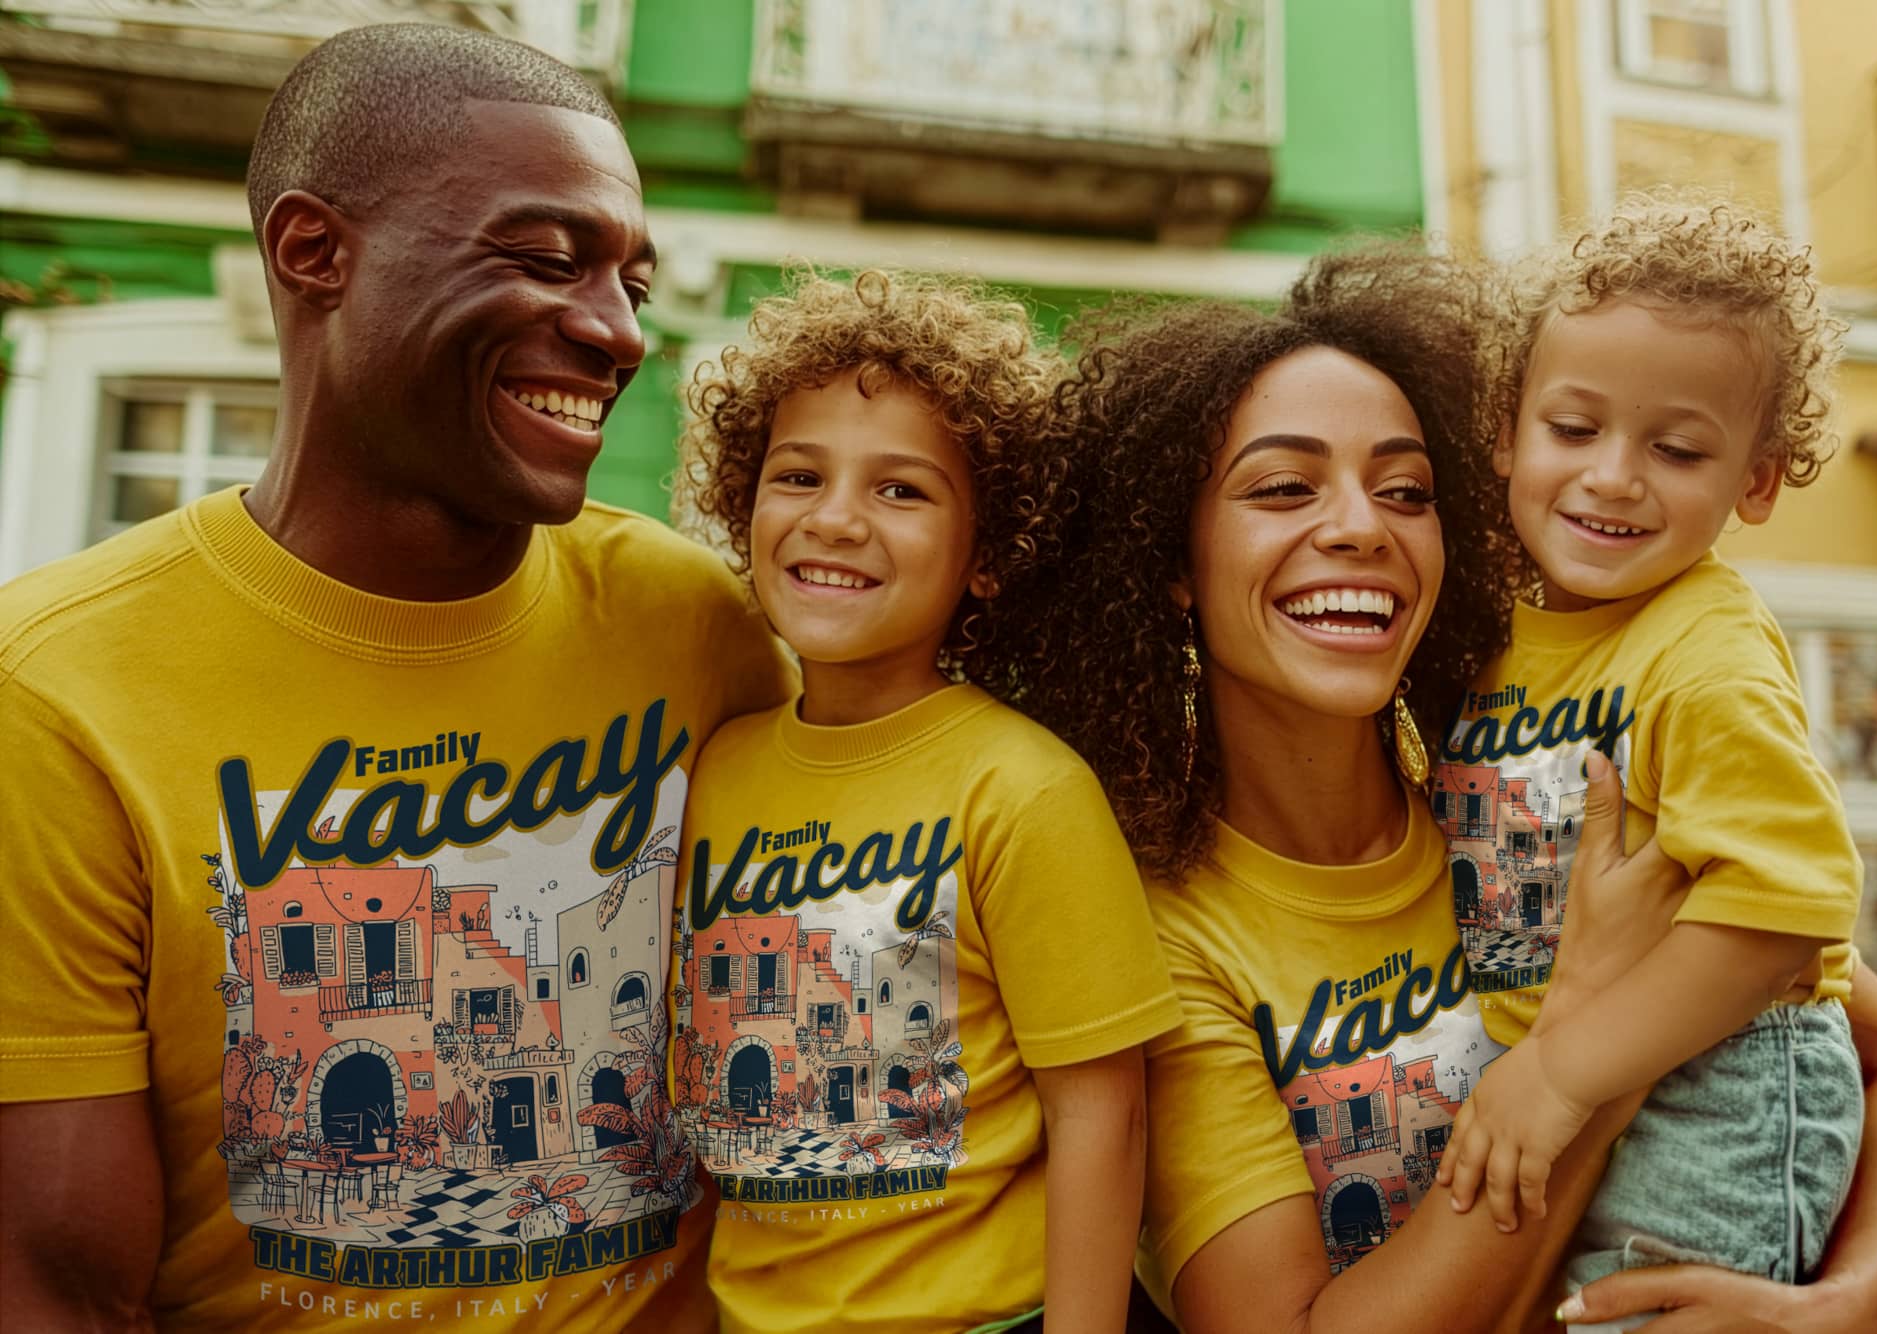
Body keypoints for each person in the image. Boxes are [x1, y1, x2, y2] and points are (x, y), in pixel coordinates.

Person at [1012, 246, 1877, 1332]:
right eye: (1283, 487)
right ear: (1169, 557)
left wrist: (1847, 1308)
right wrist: (1589, 1050)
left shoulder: (1527, 789)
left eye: (1406, 490)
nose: (1360, 525)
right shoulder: (1158, 935)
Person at [0, 24, 790, 1332]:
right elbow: (57, 1284)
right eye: (547, 259)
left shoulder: (697, 627)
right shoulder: (50, 689)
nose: (616, 330)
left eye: (633, 283)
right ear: (314, 251)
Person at [670, 268, 1181, 1334]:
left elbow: (1105, 1115)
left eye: (900, 491)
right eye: (798, 475)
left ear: (987, 555)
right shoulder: (712, 769)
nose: (835, 519)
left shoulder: (1023, 787)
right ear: (742, 503)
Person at [1433, 195, 1863, 1320]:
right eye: (1573, 429)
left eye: (1675, 449)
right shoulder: (1492, 647)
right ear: (1506, 432)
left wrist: (1557, 1069)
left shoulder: (1706, 653)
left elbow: (1780, 914)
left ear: (1756, 481)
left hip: (1718, 1087)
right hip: (1575, 1075)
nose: (1614, 476)